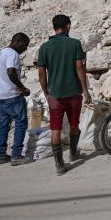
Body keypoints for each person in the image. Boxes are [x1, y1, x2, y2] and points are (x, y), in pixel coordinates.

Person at [38, 14, 91, 175]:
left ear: (54, 28)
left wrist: (46, 91)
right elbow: (79, 67)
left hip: (55, 95)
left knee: (56, 129)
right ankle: (73, 153)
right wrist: (85, 90)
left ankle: (59, 165)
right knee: (74, 125)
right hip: (74, 93)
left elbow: (41, 73)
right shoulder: (74, 44)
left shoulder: (44, 47)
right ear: (68, 26)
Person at [0, 33, 32, 166]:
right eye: (25, 45)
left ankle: (1, 155)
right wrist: (22, 88)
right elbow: (11, 72)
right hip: (12, 95)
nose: (25, 49)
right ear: (19, 42)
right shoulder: (12, 54)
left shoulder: (1, 53)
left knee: (3, 124)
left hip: (0, 95)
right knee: (21, 123)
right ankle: (16, 156)